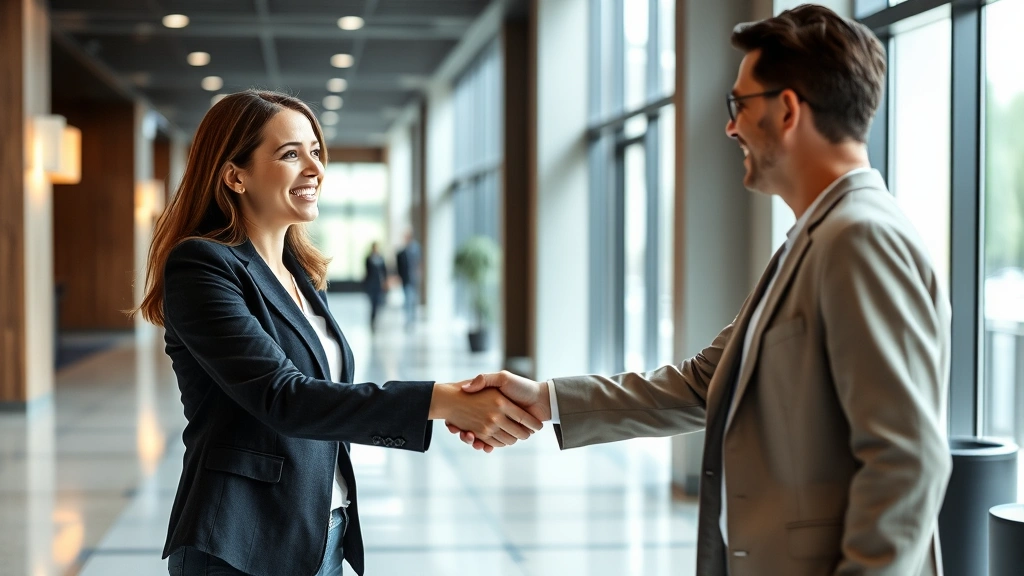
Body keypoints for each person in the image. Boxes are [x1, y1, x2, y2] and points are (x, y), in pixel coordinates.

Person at [451, 6, 952, 576]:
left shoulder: (861, 239)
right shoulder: (811, 240)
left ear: (787, 110)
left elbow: (905, 461)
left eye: (739, 105)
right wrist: (547, 399)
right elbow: (703, 384)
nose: (730, 126)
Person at [133, 90, 542, 576]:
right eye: (290, 154)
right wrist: (441, 400)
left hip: (320, 529)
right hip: (241, 541)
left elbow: (330, 395)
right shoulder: (203, 266)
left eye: (315, 151)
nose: (315, 168)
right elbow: (284, 397)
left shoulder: (297, 272)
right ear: (234, 175)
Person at [395, 230, 422, 329]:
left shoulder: (416, 250)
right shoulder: (402, 252)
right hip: (406, 280)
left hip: (414, 280)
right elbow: (400, 267)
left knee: (413, 299)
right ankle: (408, 320)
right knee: (407, 299)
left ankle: (412, 320)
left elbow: (418, 263)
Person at [363, 242, 388, 331]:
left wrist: (385, 283)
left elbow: (384, 272)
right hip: (370, 285)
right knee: (372, 304)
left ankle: (375, 319)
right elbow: (366, 272)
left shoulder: (381, 259)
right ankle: (372, 320)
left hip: (378, 285)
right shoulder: (368, 259)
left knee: (378, 303)